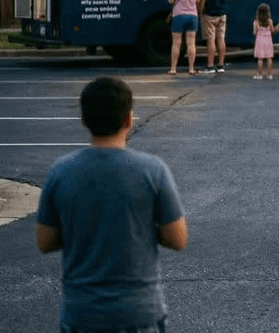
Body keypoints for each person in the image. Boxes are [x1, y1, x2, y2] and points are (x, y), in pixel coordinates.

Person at [36, 77, 188, 332]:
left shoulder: (60, 172)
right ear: (129, 119)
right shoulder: (152, 171)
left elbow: (45, 242)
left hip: (82, 313)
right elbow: (178, 239)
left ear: (84, 120)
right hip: (139, 312)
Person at [198, 0, 232, 74]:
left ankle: (210, 66)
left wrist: (200, 11)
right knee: (221, 39)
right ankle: (221, 65)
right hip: (221, 13)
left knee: (211, 40)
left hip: (209, 13)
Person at [167, 0, 200, 76]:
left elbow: (171, 0)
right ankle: (191, 68)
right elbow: (198, 0)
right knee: (191, 43)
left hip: (178, 16)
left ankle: (173, 69)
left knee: (176, 43)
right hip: (192, 16)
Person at [252, 3, 275, 80]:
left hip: (260, 41)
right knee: (269, 58)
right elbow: (272, 30)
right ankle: (270, 74)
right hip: (268, 40)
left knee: (260, 58)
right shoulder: (269, 21)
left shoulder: (256, 22)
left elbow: (255, 32)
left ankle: (260, 74)